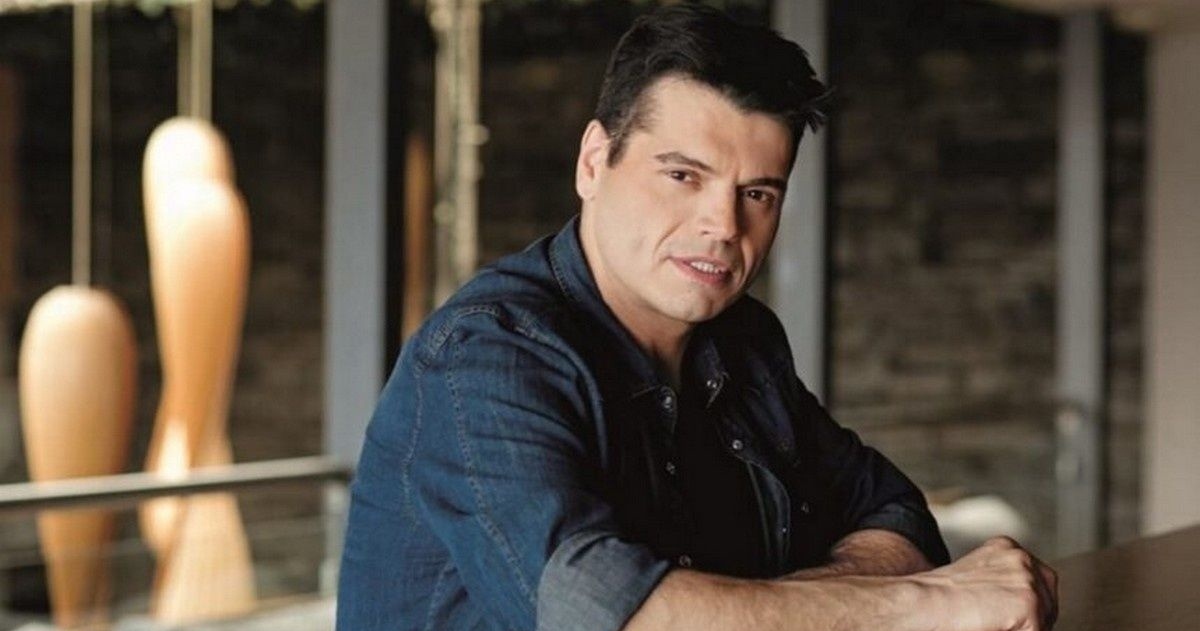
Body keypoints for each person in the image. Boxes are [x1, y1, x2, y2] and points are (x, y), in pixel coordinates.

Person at [336, 4, 1058, 630]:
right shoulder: (486, 354)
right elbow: (608, 613)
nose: (723, 225)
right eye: (684, 175)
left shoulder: (743, 341)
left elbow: (893, 511)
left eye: (758, 194)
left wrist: (774, 607)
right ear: (594, 162)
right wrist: (918, 604)